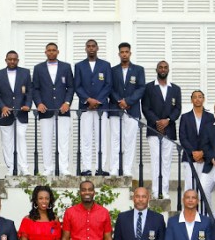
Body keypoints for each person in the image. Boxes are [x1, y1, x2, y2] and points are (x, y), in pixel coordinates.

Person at [32, 42, 75, 176]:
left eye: (53, 50)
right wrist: (39, 103)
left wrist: (67, 103)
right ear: (45, 52)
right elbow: (35, 88)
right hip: (45, 110)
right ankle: (48, 168)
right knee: (46, 140)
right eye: (49, 50)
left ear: (57, 52)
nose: (51, 52)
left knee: (63, 140)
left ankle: (63, 168)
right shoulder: (38, 68)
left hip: (63, 110)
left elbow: (71, 87)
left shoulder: (66, 67)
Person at [141, 61, 182, 199]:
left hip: (169, 130)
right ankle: (155, 190)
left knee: (166, 161)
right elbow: (145, 108)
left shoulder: (175, 89)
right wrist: (157, 122)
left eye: (165, 67)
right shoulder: (149, 87)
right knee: (155, 160)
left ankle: (164, 191)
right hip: (153, 129)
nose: (163, 69)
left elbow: (178, 109)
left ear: (168, 70)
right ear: (156, 69)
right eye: (160, 67)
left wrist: (168, 120)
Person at [75, 39, 112, 176]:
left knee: (101, 138)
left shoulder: (105, 65)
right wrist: (88, 100)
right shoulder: (79, 66)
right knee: (86, 138)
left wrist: (97, 101)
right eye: (88, 46)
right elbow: (77, 86)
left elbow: (108, 85)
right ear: (85, 49)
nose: (91, 48)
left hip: (101, 107)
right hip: (85, 108)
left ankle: (100, 167)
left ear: (97, 48)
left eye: (93, 46)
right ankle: (86, 168)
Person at [0, 50, 33, 176]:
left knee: (21, 138)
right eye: (10, 59)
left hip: (21, 113)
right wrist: (2, 107)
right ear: (6, 60)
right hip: (6, 114)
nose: (12, 61)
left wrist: (28, 105)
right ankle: (11, 167)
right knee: (7, 142)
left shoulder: (25, 73)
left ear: (18, 60)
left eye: (14, 59)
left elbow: (29, 91)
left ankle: (24, 167)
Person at [108, 42, 146, 177]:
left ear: (130, 53)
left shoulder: (138, 70)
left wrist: (128, 101)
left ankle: (127, 169)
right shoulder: (112, 70)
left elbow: (141, 88)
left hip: (132, 109)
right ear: (119, 54)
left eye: (126, 52)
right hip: (115, 108)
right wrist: (120, 101)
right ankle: (113, 168)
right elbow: (109, 88)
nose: (124, 54)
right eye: (122, 52)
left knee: (130, 140)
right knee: (115, 139)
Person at [178, 90, 215, 191]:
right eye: (195, 97)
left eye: (200, 97)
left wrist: (203, 153)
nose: (197, 99)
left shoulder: (210, 117)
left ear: (203, 99)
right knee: (190, 188)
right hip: (189, 157)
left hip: (205, 158)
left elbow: (212, 138)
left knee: (203, 188)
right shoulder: (185, 117)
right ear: (191, 100)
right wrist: (193, 152)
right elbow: (182, 137)